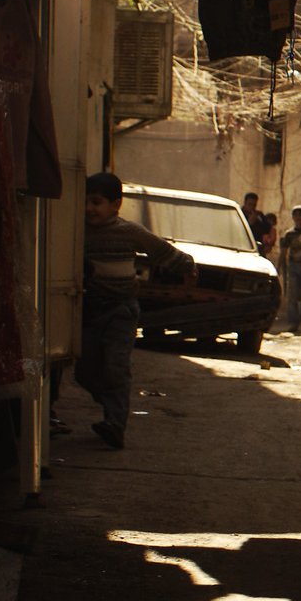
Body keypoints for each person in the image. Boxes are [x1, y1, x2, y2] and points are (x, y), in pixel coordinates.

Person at [77, 172, 194, 449]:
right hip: (90, 310)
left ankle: (115, 424)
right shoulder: (78, 232)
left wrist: (186, 264)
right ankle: (111, 404)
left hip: (121, 311)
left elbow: (160, 250)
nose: (90, 208)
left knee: (116, 367)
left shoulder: (128, 231)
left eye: (97, 202)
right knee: (84, 370)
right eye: (86, 202)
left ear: (116, 205)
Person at [241, 191, 271, 255]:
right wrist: (249, 224)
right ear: (245, 203)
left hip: (257, 247)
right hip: (242, 247)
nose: (251, 207)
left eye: (254, 205)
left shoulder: (259, 215)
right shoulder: (239, 214)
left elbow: (267, 229)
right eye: (249, 204)